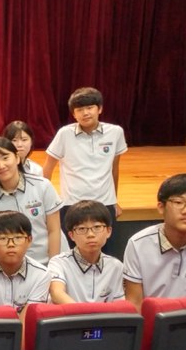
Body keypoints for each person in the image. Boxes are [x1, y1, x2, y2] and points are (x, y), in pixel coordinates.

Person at [123, 174, 186, 310]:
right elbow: (135, 303)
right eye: (178, 202)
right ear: (161, 207)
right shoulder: (138, 244)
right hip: (152, 321)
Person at [42, 87, 128, 250]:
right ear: (74, 114)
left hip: (105, 203)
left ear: (99, 109)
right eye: (80, 110)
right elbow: (48, 169)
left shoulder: (115, 132)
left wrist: (114, 201)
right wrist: (45, 202)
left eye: (89, 108)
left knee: (105, 252)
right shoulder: (64, 134)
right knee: (72, 253)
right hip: (71, 203)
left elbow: (114, 168)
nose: (85, 113)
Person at [0, 211, 52, 338]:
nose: (11, 244)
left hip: (25, 341)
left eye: (18, 238)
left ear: (29, 240)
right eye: (3, 239)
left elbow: (27, 322)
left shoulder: (41, 274)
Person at [0, 136, 62, 264]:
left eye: (5, 158)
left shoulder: (42, 186)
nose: (1, 165)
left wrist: (54, 266)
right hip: (11, 266)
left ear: (17, 158)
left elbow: (54, 230)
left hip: (46, 262)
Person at [48, 200, 125, 304]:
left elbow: (119, 304)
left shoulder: (116, 266)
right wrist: (84, 313)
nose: (90, 234)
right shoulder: (59, 263)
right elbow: (56, 293)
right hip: (71, 314)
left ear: (108, 231)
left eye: (97, 227)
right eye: (82, 229)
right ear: (71, 235)